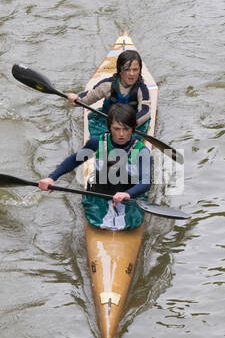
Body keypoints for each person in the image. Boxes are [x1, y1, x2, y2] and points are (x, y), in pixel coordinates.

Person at [38, 103, 152, 231]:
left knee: (130, 221)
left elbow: (146, 183)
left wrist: (127, 194)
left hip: (129, 196)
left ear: (133, 129)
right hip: (100, 192)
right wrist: (52, 178)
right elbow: (74, 160)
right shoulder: (97, 142)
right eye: (116, 128)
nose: (121, 134)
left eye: (126, 129)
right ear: (109, 127)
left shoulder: (142, 152)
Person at [65, 48, 151, 139]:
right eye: (127, 70)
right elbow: (89, 96)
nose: (132, 74)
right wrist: (77, 99)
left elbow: (145, 111)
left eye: (135, 70)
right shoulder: (107, 85)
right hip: (107, 123)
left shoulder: (142, 89)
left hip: (130, 126)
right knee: (98, 140)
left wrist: (128, 124)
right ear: (120, 70)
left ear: (140, 70)